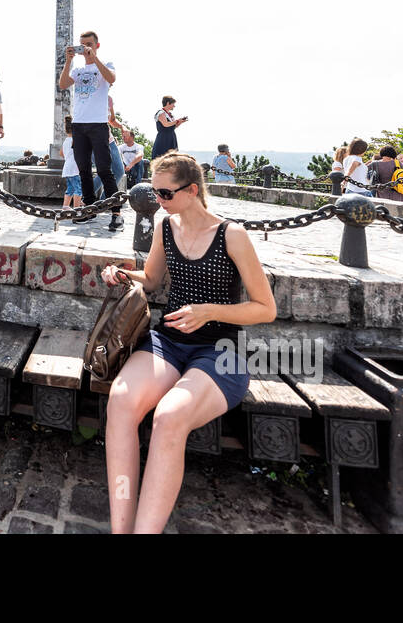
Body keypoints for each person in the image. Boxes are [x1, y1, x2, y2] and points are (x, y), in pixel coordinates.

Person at [100, 152, 276, 533]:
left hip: (218, 352)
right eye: (155, 191)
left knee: (170, 417)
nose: (157, 199)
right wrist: (120, 274)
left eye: (164, 192)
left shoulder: (232, 235)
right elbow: (150, 279)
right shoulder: (166, 225)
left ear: (192, 190)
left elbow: (265, 309)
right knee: (121, 402)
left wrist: (209, 311)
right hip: (169, 342)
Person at [58, 30, 122, 229]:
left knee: (104, 169)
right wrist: (68, 61)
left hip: (98, 124)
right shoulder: (77, 71)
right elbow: (63, 84)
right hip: (79, 124)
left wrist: (95, 59)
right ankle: (89, 210)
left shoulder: (105, 64)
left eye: (89, 44)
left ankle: (116, 213)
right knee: (83, 169)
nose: (85, 48)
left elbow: (111, 78)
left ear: (96, 45)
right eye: (82, 44)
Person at [152, 96, 187, 160]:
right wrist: (177, 121)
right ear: (168, 103)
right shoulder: (161, 113)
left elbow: (173, 127)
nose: (174, 106)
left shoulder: (170, 114)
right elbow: (165, 124)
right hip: (163, 138)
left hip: (171, 137)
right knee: (162, 156)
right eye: (173, 104)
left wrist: (180, 122)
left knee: (172, 157)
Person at [61, 116, 82, 208]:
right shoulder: (75, 140)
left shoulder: (66, 140)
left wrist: (68, 156)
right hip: (74, 168)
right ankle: (77, 209)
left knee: (70, 188)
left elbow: (61, 153)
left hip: (67, 168)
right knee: (78, 189)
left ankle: (65, 207)